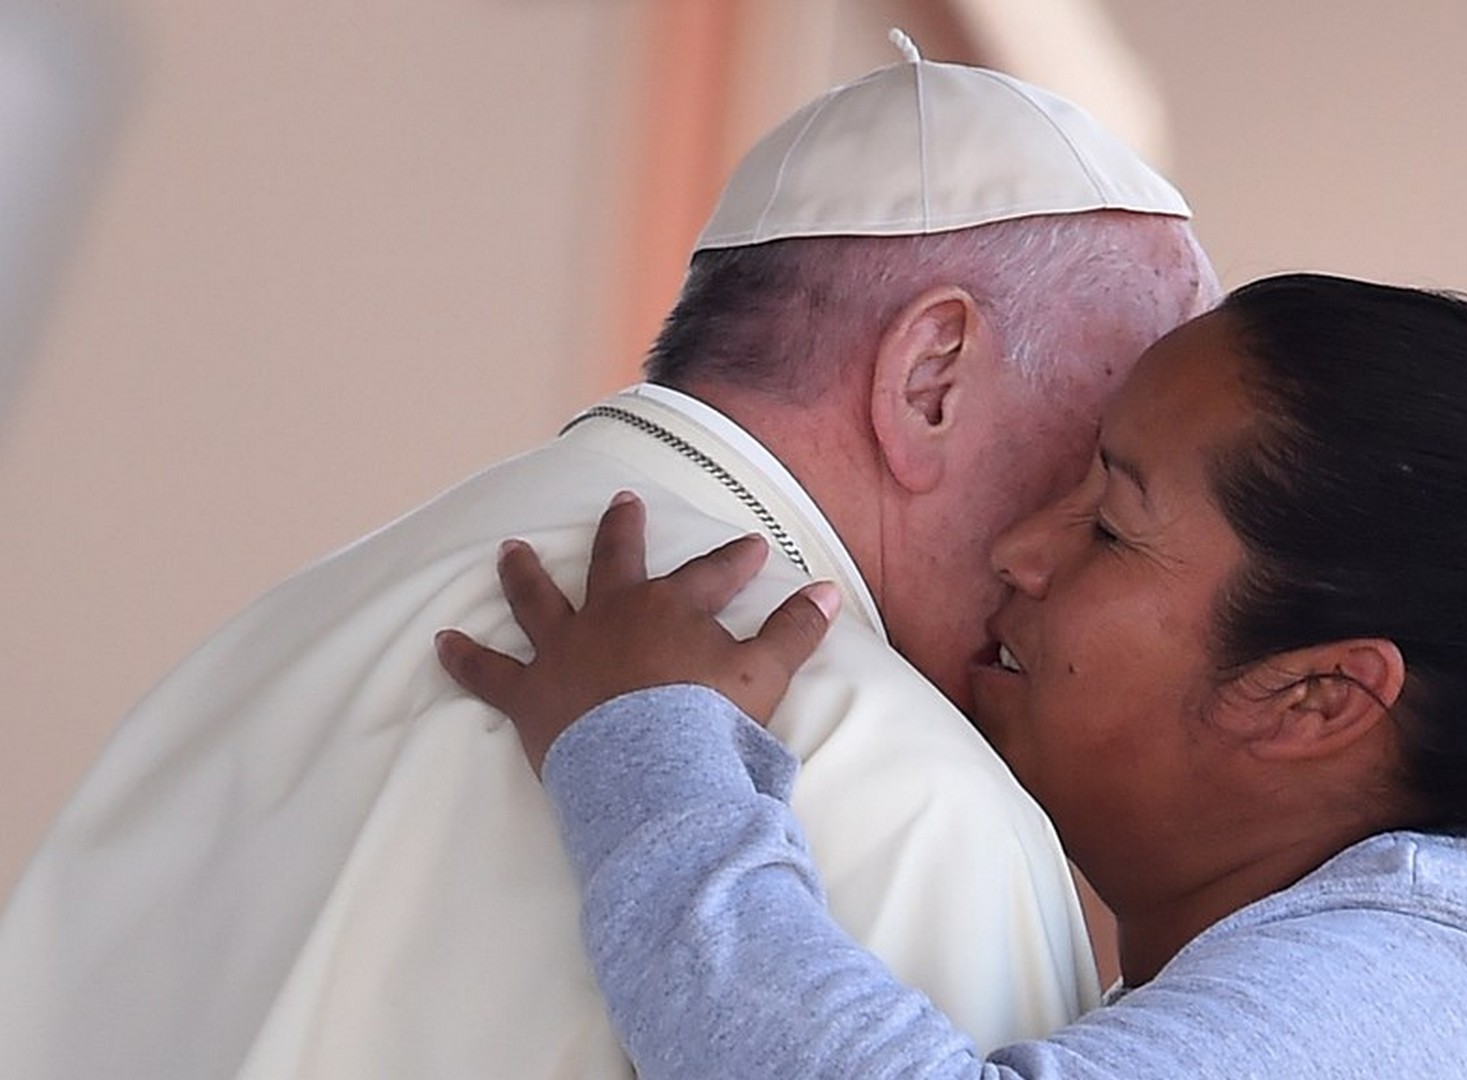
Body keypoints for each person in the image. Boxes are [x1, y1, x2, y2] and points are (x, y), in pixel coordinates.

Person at [0, 41, 1215, 1079]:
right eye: (1105, 458)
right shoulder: (889, 784)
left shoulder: (293, 626)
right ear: (929, 377)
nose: (1084, 546)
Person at [438, 273, 1467, 1078]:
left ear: (1317, 697)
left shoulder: (1435, 1003)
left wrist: (648, 749)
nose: (1020, 553)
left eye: (1106, 522)